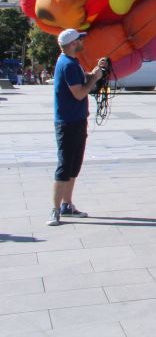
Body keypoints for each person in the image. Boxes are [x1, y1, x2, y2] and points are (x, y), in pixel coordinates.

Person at [48, 29, 104, 226]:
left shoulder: (70, 62)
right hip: (69, 122)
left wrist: (92, 73)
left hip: (76, 120)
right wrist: (94, 79)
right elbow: (79, 93)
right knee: (65, 166)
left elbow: (79, 83)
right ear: (72, 44)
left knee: (73, 165)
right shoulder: (69, 65)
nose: (82, 41)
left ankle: (67, 205)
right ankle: (55, 210)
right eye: (80, 39)